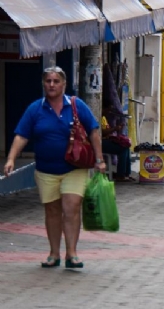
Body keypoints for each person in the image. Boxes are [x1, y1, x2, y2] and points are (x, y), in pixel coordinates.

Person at [3, 66, 106, 269]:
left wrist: (100, 159)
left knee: (71, 207)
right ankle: (53, 253)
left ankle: (72, 253)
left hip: (74, 168)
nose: (51, 85)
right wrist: (11, 159)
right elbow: (22, 135)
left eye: (56, 81)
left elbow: (93, 131)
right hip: (46, 170)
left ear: (64, 84)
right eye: (48, 81)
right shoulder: (35, 109)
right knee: (52, 210)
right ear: (43, 84)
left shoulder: (77, 105)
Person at [101, 103, 133, 182]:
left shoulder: (104, 118)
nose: (109, 112)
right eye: (108, 110)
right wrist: (115, 128)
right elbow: (102, 132)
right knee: (122, 149)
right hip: (101, 142)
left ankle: (126, 173)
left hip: (106, 139)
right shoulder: (98, 117)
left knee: (126, 146)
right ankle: (120, 175)